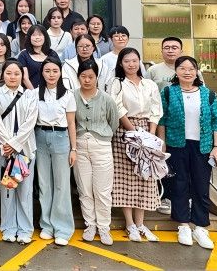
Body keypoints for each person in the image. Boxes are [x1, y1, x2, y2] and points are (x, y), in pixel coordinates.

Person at [158, 56, 217, 250]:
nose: (187, 72)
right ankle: (183, 226)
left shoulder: (208, 94)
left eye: (191, 69)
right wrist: (162, 144)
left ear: (196, 72)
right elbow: (162, 119)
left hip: (202, 146)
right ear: (176, 71)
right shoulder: (168, 92)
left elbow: (216, 121)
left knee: (201, 186)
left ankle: (201, 227)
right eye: (182, 68)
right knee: (178, 184)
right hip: (176, 145)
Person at [108, 48, 162, 242]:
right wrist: (134, 132)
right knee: (125, 178)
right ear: (120, 63)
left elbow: (156, 109)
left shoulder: (149, 84)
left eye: (134, 60)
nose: (131, 64)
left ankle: (141, 224)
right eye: (126, 61)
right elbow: (117, 107)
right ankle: (130, 224)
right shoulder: (117, 83)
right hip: (125, 132)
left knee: (144, 177)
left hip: (147, 130)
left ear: (139, 62)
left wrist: (150, 135)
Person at [0, 60, 38, 244]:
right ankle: (8, 227)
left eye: (16, 73)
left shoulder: (30, 95)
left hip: (25, 148)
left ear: (22, 76)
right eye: (9, 73)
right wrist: (7, 144)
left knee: (25, 191)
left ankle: (25, 229)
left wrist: (15, 144)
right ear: (3, 74)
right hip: (3, 150)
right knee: (7, 190)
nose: (12, 77)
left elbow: (30, 122)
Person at [147, 36, 197, 216]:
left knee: (188, 164)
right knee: (165, 161)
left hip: (188, 125)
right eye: (166, 47)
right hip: (161, 121)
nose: (170, 50)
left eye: (174, 47)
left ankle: (186, 197)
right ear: (161, 50)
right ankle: (166, 197)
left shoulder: (191, 69)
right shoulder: (153, 70)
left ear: (181, 50)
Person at [73, 59, 119, 246]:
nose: (87, 80)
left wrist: (102, 136)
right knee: (84, 189)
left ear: (97, 77)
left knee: (103, 190)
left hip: (101, 146)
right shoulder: (72, 96)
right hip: (79, 145)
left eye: (90, 77)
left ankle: (104, 227)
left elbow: (113, 123)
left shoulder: (107, 99)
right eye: (83, 76)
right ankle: (90, 225)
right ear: (78, 77)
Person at [35, 58, 77, 246]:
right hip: (40, 136)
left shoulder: (68, 95)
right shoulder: (35, 93)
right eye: (47, 71)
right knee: (44, 184)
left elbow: (71, 123)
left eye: (55, 71)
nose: (51, 74)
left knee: (61, 184)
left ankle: (63, 228)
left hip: (61, 138)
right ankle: (47, 225)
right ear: (42, 73)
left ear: (60, 73)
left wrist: (73, 148)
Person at [98, 25, 145, 92]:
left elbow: (143, 76)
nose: (120, 38)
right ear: (111, 39)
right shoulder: (104, 59)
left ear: (128, 38)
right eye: (116, 36)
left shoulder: (135, 57)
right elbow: (101, 82)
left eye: (123, 35)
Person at [18, 25, 55, 90]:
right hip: (30, 92)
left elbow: (57, 73)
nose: (37, 37)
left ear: (45, 37)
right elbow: (24, 78)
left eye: (40, 35)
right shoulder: (23, 55)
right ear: (29, 38)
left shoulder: (52, 54)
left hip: (51, 91)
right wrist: (34, 93)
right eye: (34, 35)